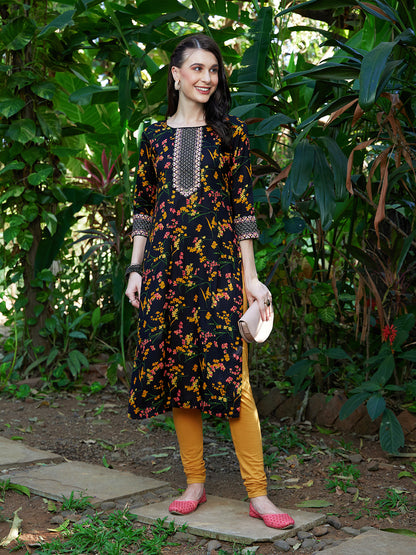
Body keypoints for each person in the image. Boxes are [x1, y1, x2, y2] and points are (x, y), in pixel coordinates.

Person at [125, 33, 294, 530]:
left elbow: (243, 212)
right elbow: (143, 208)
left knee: (235, 382)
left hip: (219, 272)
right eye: (197, 68)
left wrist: (251, 280)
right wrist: (135, 269)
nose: (207, 78)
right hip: (165, 272)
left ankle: (258, 494)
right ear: (175, 74)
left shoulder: (230, 134)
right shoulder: (153, 137)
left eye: (213, 69)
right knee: (179, 375)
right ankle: (194, 483)